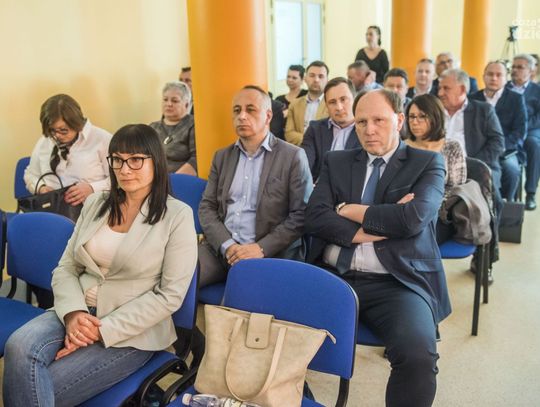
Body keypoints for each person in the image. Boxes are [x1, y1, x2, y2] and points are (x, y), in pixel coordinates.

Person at [3, 124, 198, 406]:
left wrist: (100, 329)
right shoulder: (96, 203)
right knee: (18, 346)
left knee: (33, 384)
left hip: (132, 329)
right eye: (117, 160)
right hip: (78, 309)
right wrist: (73, 314)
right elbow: (66, 268)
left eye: (135, 160)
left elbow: (169, 296)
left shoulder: (177, 215)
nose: (124, 169)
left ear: (156, 161)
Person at [305, 89, 450, 407]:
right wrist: (367, 231)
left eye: (379, 121)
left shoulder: (427, 163)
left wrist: (345, 209)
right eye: (361, 122)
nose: (369, 130)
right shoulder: (337, 161)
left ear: (399, 120)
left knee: (417, 355)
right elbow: (314, 216)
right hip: (332, 275)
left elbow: (412, 219)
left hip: (396, 281)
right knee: (273, 323)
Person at [198, 85, 312, 287]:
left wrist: (260, 248)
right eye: (237, 110)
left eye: (250, 110)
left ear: (268, 116)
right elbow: (207, 207)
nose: (242, 116)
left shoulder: (292, 156)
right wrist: (227, 245)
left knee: (242, 295)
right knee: (178, 278)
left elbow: (301, 215)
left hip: (267, 253)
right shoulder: (222, 157)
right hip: (221, 249)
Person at [23, 94, 112, 309]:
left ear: (77, 122)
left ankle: (74, 305)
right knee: (35, 251)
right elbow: (29, 174)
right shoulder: (46, 142)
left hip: (89, 214)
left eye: (63, 130)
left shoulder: (101, 139)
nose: (57, 136)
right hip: (52, 211)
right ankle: (47, 301)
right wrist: (41, 188)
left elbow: (119, 179)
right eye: (52, 131)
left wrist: (91, 187)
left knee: (68, 258)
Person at [437, 68, 505, 216]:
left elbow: (497, 143)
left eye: (446, 88)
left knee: (493, 200)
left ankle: (490, 230)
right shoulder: (435, 111)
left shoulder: (483, 110)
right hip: (439, 167)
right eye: (439, 88)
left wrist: (473, 164)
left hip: (476, 167)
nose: (440, 93)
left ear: (462, 89)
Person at [405, 94, 467, 243]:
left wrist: (426, 205)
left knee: (417, 239)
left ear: (435, 117)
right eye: (411, 116)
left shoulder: (452, 147)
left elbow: (456, 189)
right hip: (405, 211)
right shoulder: (401, 147)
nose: (415, 122)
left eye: (422, 116)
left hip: (440, 215)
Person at [470, 61, 528, 201]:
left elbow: (520, 131)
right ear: (483, 76)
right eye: (490, 74)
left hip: (505, 150)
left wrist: (500, 147)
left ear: (506, 78)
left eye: (498, 75)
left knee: (511, 170)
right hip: (478, 150)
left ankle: (506, 204)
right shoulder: (472, 98)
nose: (494, 78)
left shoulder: (516, 99)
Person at [301, 77, 360, 182]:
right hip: (318, 187)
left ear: (355, 99)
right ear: (326, 106)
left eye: (343, 99)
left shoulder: (366, 130)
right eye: (332, 102)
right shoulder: (315, 129)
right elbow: (304, 165)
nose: (339, 107)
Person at [507, 54, 540, 210]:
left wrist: (524, 127)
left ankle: (531, 193)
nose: (515, 70)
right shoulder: (504, 88)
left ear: (531, 71)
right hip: (510, 130)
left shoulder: (537, 90)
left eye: (520, 67)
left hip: (531, 130)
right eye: (513, 67)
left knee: (534, 144)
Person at [150, 81, 197, 175]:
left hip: (180, 180)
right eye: (165, 99)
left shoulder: (193, 125)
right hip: (154, 179)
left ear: (186, 104)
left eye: (174, 101)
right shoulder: (152, 127)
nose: (169, 104)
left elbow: (196, 159)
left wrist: (171, 180)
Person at [285, 61, 329, 145]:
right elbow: (289, 134)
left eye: (321, 76)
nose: (316, 80)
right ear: (305, 79)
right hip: (299, 149)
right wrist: (311, 140)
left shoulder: (331, 104)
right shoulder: (295, 104)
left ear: (327, 80)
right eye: (312, 75)